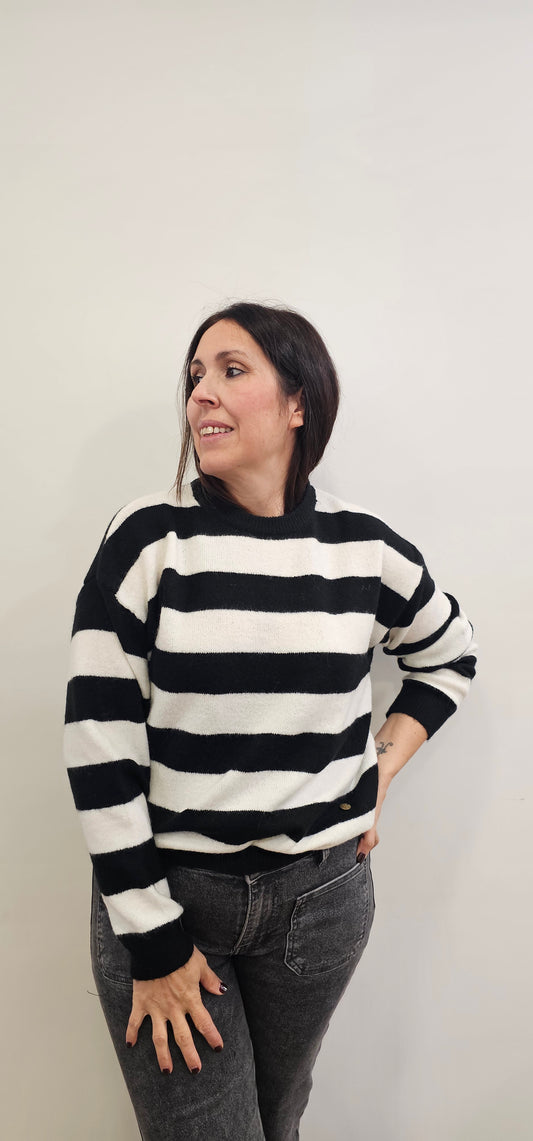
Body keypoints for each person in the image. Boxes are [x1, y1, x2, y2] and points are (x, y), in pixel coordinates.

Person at [63, 301, 477, 1141]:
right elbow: (98, 745)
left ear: (297, 401)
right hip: (169, 897)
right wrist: (153, 941)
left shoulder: (365, 549)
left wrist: (378, 769)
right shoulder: (148, 538)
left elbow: (448, 655)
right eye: (194, 376)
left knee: (277, 1121)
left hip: (320, 902)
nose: (200, 393)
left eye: (231, 370)